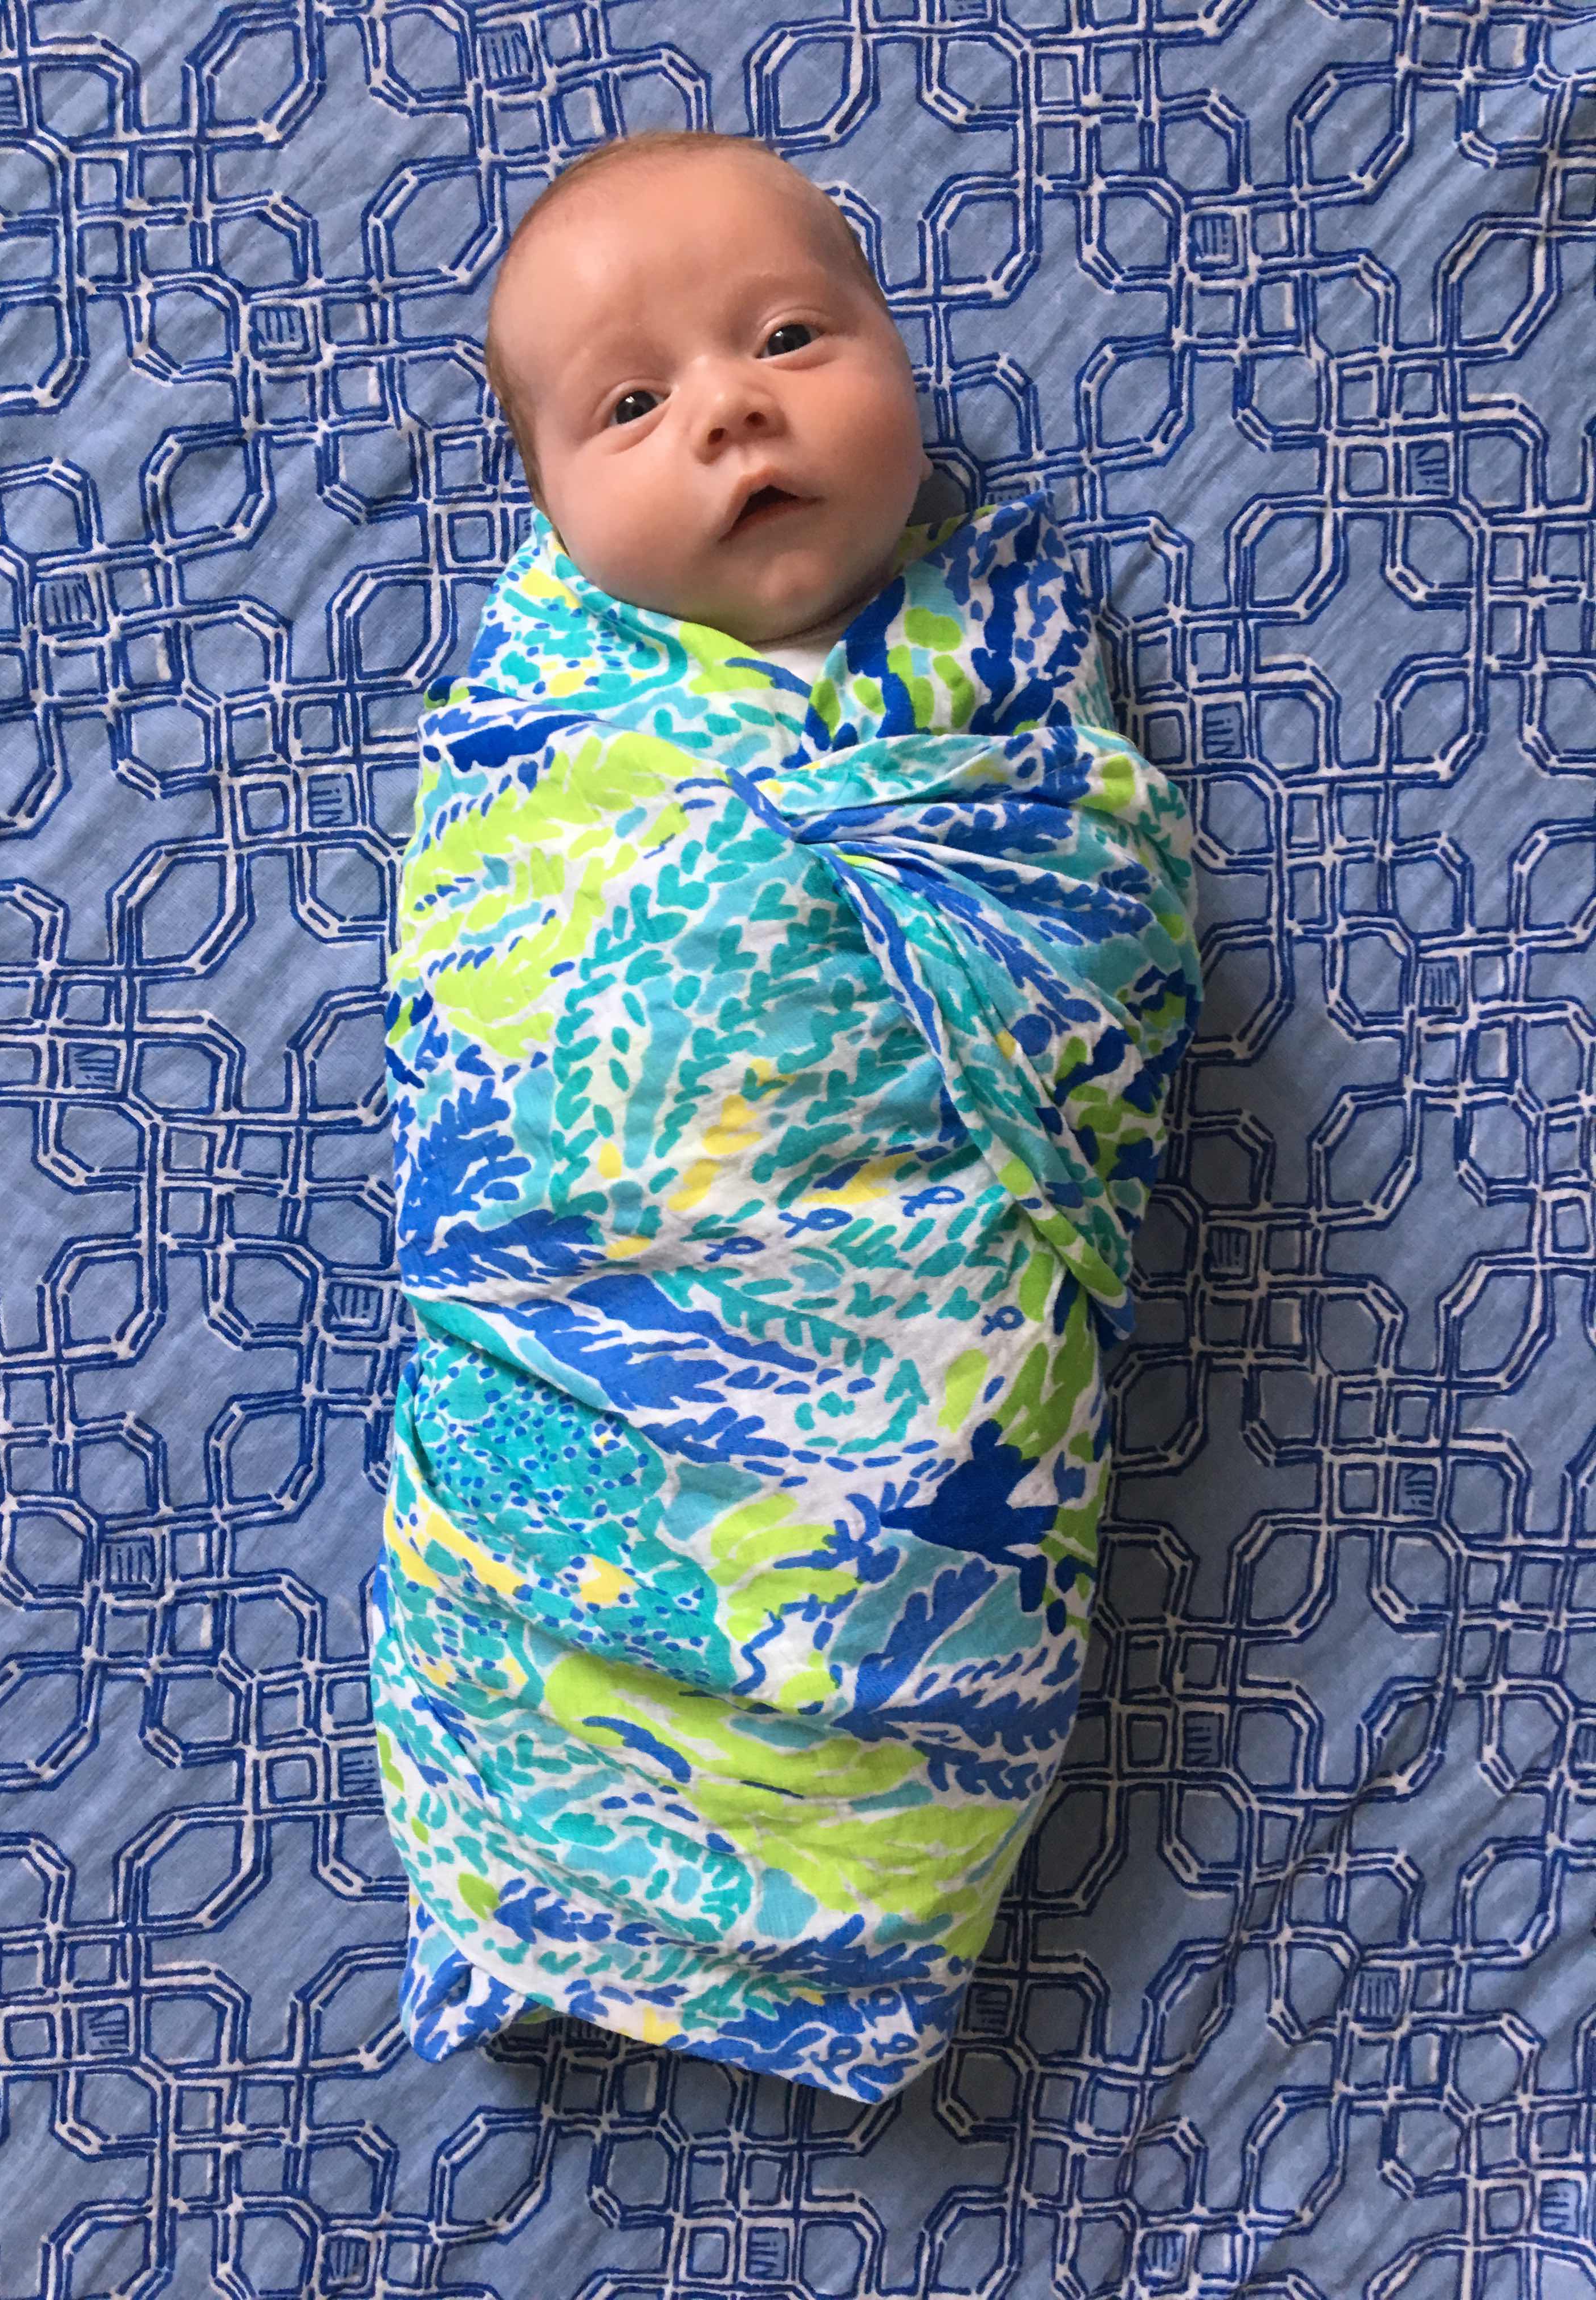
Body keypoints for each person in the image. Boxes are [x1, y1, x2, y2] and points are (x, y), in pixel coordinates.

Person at [369, 129, 1201, 2100]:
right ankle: (526, 1882)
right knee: (537, 1546)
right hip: (599, 1332)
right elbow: (490, 1002)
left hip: (915, 1352)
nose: (731, 410)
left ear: (896, 349)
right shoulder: (546, 715)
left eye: (790, 338)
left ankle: (856, 1903)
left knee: (936, 1571)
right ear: (549, 506)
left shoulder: (1006, 652)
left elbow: (1106, 914)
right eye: (630, 407)